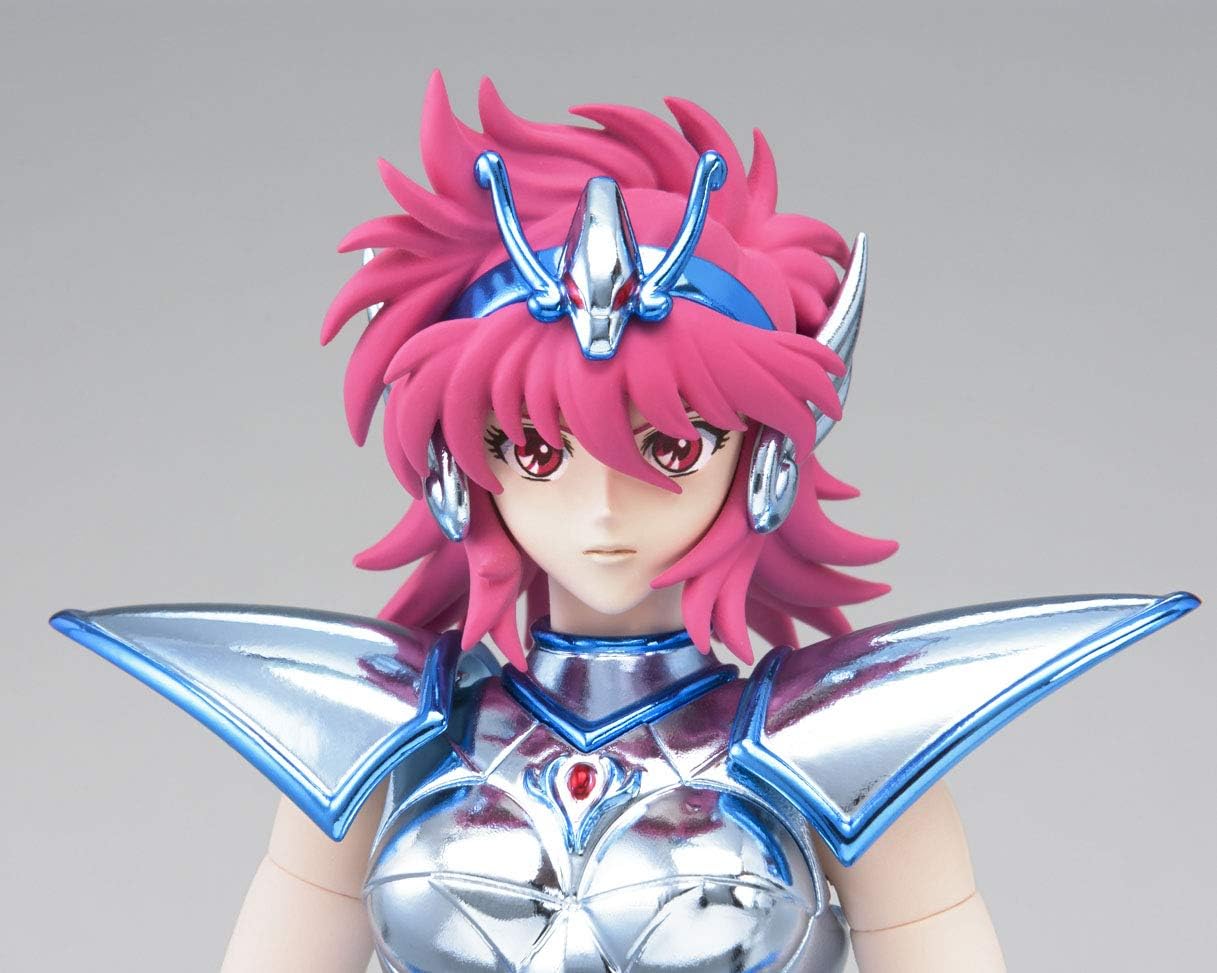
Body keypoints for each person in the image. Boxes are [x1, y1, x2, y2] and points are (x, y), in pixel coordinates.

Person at [51, 72, 1197, 972]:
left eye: (666, 450)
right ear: (460, 468)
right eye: (535, 451)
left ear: (759, 461)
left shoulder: (835, 750)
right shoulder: (384, 736)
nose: (599, 507)